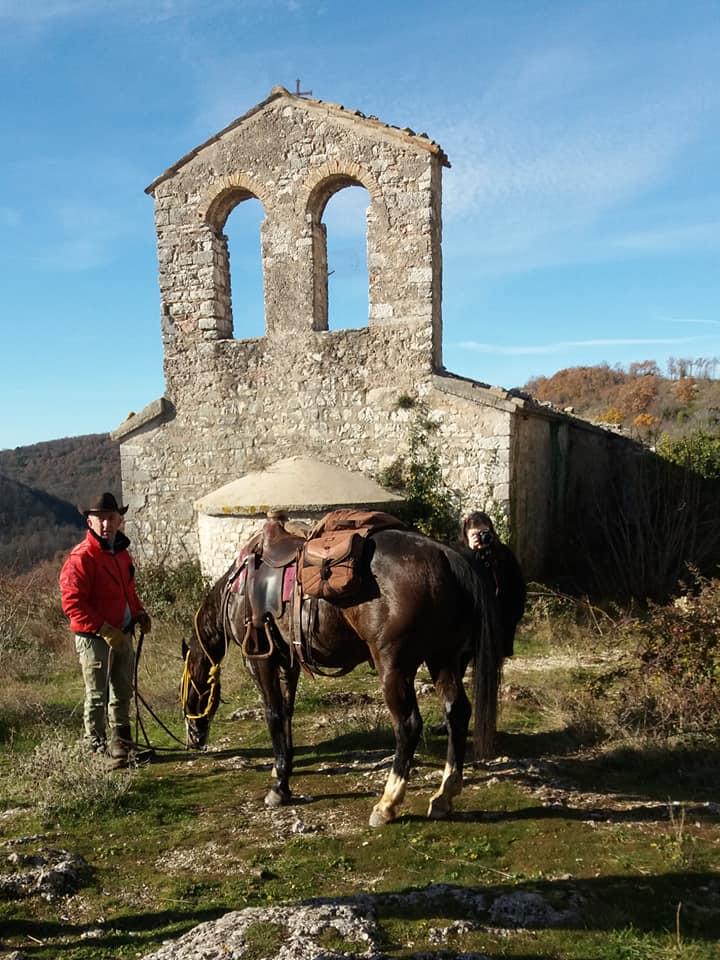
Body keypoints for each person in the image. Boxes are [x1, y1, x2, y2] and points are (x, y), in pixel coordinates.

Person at [59, 492, 152, 768]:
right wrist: (102, 628)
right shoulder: (81, 557)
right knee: (98, 695)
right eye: (99, 519)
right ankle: (96, 751)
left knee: (122, 691)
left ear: (119, 521)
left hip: (122, 633)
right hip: (94, 639)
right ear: (89, 521)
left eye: (110, 518)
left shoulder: (121, 554)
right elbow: (72, 603)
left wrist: (139, 612)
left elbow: (128, 591)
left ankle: (121, 744)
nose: (105, 524)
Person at [461, 511, 526, 658]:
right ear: (466, 535)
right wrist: (472, 551)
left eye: (484, 533)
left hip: (498, 621)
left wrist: (514, 616)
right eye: (475, 535)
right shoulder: (461, 557)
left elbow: (518, 586)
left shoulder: (503, 554)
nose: (481, 538)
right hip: (470, 623)